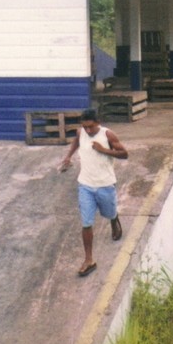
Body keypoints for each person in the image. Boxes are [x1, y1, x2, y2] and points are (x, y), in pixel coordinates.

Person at [60, 108, 128, 277]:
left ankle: (114, 219)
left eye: (90, 127)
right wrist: (68, 156)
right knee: (86, 223)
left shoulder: (108, 135)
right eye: (85, 127)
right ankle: (89, 259)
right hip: (85, 185)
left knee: (109, 212)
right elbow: (76, 142)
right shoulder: (81, 132)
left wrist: (103, 150)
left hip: (105, 184)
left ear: (98, 122)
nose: (88, 130)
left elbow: (124, 154)